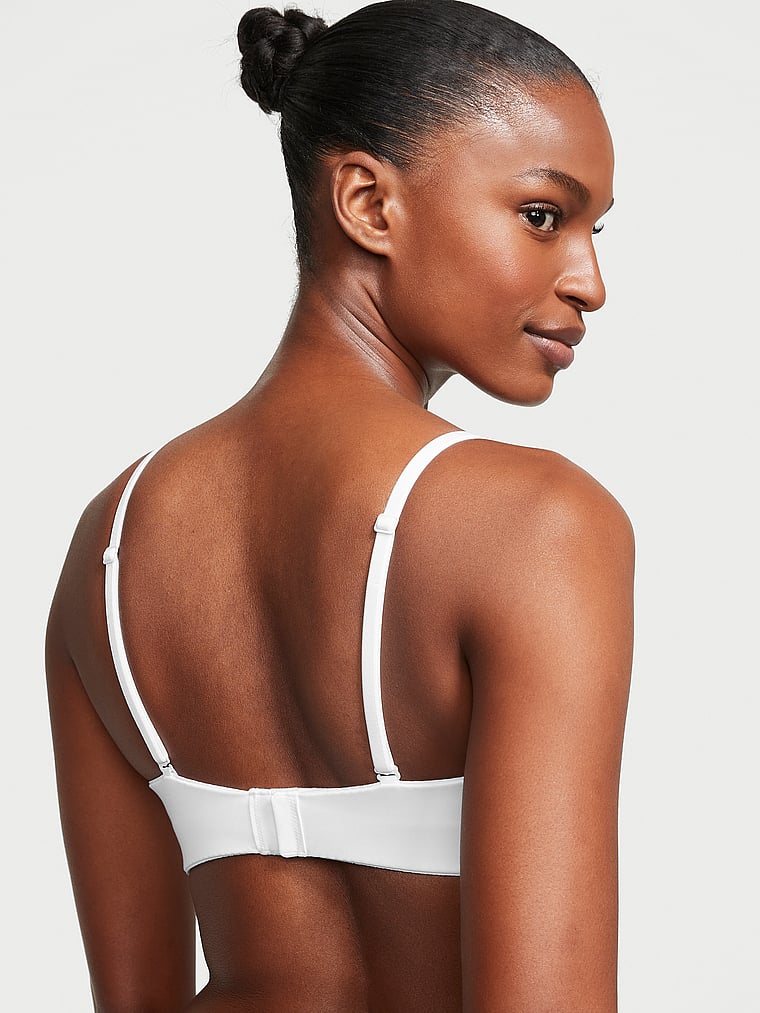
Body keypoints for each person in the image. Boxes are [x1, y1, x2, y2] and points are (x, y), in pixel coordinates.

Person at [45, 1, 635, 1010]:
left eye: (593, 230)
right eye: (543, 215)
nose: (589, 281)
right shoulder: (538, 523)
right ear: (367, 203)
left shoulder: (108, 543)